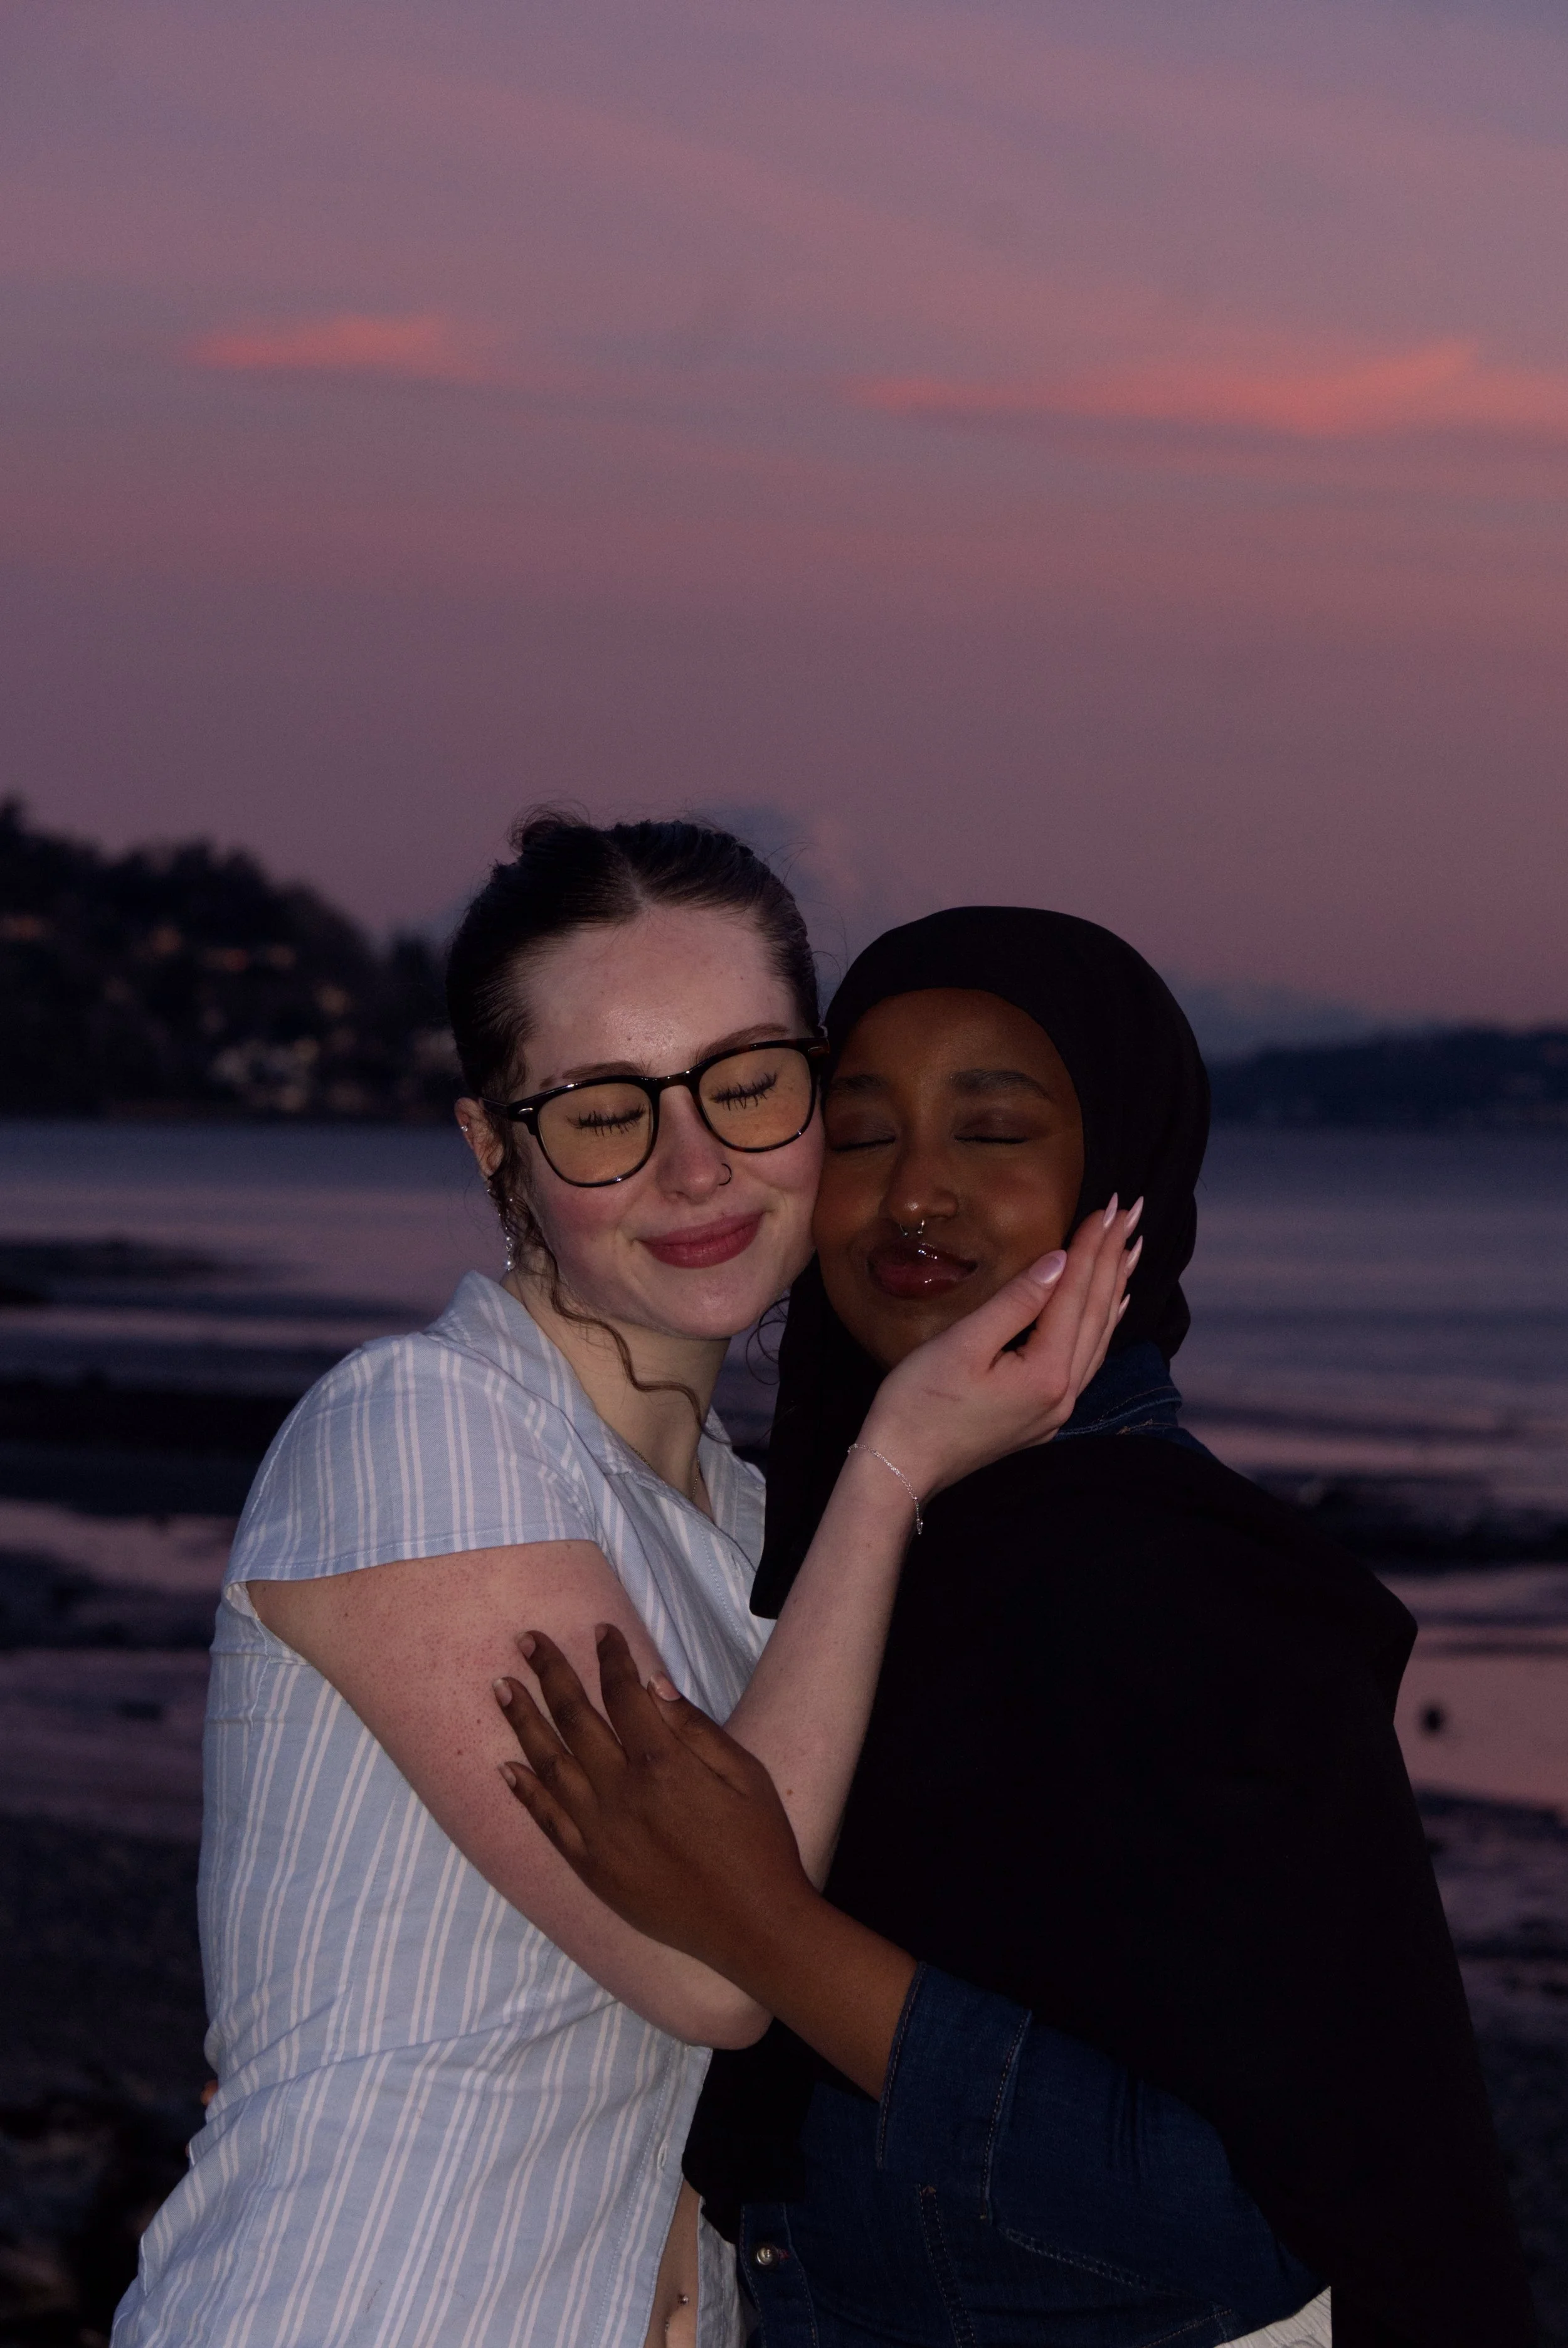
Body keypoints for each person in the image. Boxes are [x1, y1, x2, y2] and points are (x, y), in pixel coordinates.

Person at [112, 830, 1136, 2348]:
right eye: (603, 1110)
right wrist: (892, 1465)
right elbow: (708, 1953)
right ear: (492, 1145)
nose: (695, 1164)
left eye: (743, 1081)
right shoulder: (417, 1430)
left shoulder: (734, 1526)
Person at [495, 906, 1535, 2348]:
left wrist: (767, 1926)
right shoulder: (869, 1556)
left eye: (992, 1130)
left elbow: (1252, 2231)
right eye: (857, 1136)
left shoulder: (1183, 1595)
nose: (914, 1191)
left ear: (1122, 1184)